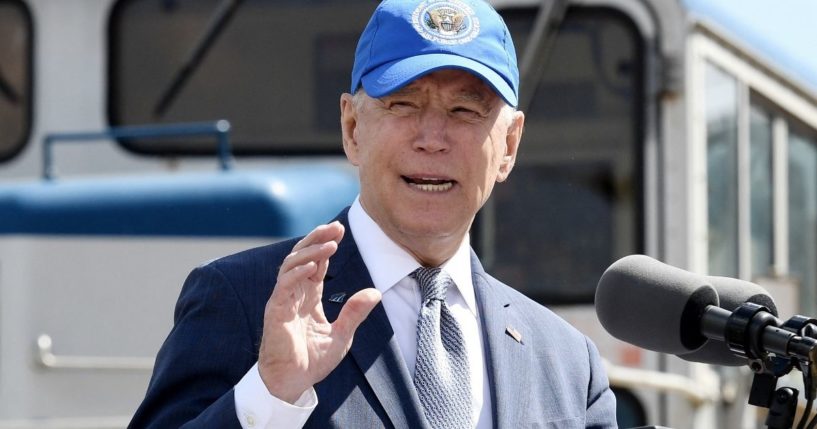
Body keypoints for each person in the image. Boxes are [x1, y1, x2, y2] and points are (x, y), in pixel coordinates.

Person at [129, 0, 618, 428]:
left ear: (508, 145)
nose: (431, 137)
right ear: (352, 128)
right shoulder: (243, 300)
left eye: (464, 112)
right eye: (403, 104)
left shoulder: (568, 361)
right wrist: (269, 396)